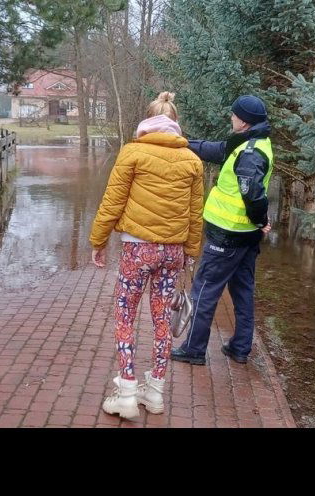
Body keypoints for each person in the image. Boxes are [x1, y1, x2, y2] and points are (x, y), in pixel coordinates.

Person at [89, 92, 204, 419]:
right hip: (173, 252)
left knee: (125, 313)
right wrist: (190, 254)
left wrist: (98, 240)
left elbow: (112, 201)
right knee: (162, 320)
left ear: (148, 121)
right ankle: (154, 393)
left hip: (137, 249)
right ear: (175, 124)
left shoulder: (133, 153)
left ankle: (126, 390)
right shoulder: (192, 161)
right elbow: (196, 215)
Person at [170, 95, 273, 366]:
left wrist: (262, 220)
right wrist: (182, 143)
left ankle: (193, 349)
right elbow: (214, 150)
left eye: (234, 115)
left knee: (204, 290)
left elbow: (253, 194)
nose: (231, 117)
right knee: (243, 291)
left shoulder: (250, 153)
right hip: (244, 235)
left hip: (228, 235)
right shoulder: (249, 143)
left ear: (244, 121)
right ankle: (240, 348)